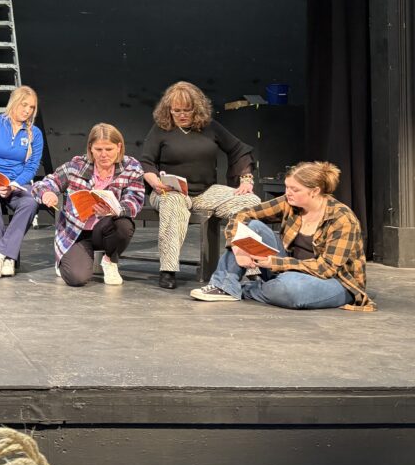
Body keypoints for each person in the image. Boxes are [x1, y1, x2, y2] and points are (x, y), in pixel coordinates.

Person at [191, 161, 374, 310]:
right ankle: (224, 286)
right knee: (253, 226)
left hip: (334, 282)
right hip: (289, 270)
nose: (288, 193)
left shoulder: (341, 219)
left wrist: (274, 263)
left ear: (315, 191)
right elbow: (242, 214)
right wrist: (237, 246)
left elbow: (325, 269)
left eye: (295, 189)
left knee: (292, 288)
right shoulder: (289, 203)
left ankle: (249, 289)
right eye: (287, 187)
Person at [140, 81, 261, 290]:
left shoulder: (210, 127)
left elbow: (239, 150)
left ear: (197, 109)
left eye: (187, 110)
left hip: (205, 192)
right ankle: (168, 270)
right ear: (168, 110)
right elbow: (146, 161)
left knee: (250, 202)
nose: (182, 115)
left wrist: (246, 179)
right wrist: (155, 182)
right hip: (170, 191)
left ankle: (250, 266)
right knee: (174, 203)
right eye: (176, 110)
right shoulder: (161, 130)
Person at [32, 123, 145, 287]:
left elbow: (135, 199)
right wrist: (46, 193)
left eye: (109, 149)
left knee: (124, 225)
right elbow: (44, 184)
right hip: (77, 231)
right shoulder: (77, 166)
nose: (104, 155)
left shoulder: (131, 167)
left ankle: (109, 260)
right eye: (98, 149)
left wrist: (116, 209)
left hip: (106, 228)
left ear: (119, 147)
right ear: (90, 148)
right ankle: (68, 260)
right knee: (76, 278)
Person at [0, 85, 44, 277]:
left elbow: (31, 166)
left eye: (32, 107)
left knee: (30, 202)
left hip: (17, 184)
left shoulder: (34, 133)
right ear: (14, 102)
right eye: (24, 105)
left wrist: (15, 184)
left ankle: (0, 256)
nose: (27, 110)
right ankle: (7, 257)